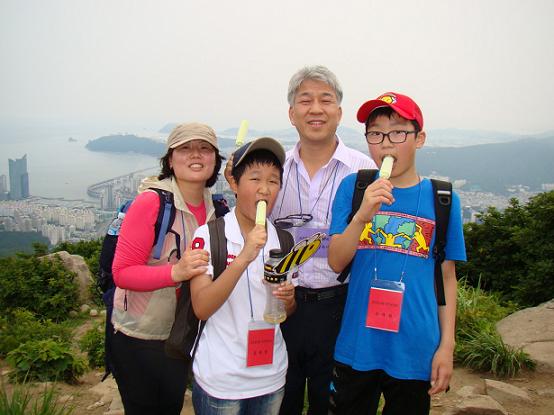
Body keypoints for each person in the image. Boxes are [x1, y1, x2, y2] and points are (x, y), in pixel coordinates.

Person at [327, 92, 467, 414]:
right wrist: (362, 214)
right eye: (375, 133)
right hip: (357, 343)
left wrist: (447, 346)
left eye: (398, 132)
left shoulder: (442, 199)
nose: (386, 144)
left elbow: (447, 277)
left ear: (419, 139)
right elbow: (336, 260)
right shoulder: (354, 188)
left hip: (415, 346)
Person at [275, 65, 377, 415]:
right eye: (305, 101)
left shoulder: (363, 172)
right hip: (282, 305)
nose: (315, 109)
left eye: (325, 100)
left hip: (342, 306)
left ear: (339, 112)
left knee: (334, 403)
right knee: (280, 401)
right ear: (292, 114)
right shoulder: (275, 171)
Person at [110, 122, 225, 415]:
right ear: (170, 159)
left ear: (215, 159)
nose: (195, 155)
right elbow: (122, 272)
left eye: (204, 148)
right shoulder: (151, 203)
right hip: (141, 336)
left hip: (183, 333)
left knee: (170, 406)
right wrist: (176, 272)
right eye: (184, 148)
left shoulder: (218, 210)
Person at [190, 137, 295, 415]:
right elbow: (202, 307)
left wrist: (289, 299)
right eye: (255, 179)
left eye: (273, 181)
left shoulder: (284, 241)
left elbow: (286, 310)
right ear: (234, 184)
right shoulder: (209, 236)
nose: (264, 189)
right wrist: (245, 257)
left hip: (271, 376)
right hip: (221, 379)